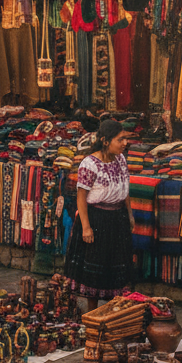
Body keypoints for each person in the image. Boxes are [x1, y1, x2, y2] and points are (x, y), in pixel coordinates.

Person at [64, 119, 134, 312]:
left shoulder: (120, 160)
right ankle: (93, 313)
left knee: (116, 265)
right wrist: (86, 227)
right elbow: (81, 197)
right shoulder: (89, 164)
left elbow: (125, 189)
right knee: (95, 267)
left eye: (124, 139)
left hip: (117, 218)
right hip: (97, 219)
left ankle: (114, 312)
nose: (124, 144)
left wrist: (129, 215)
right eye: (120, 140)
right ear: (105, 140)